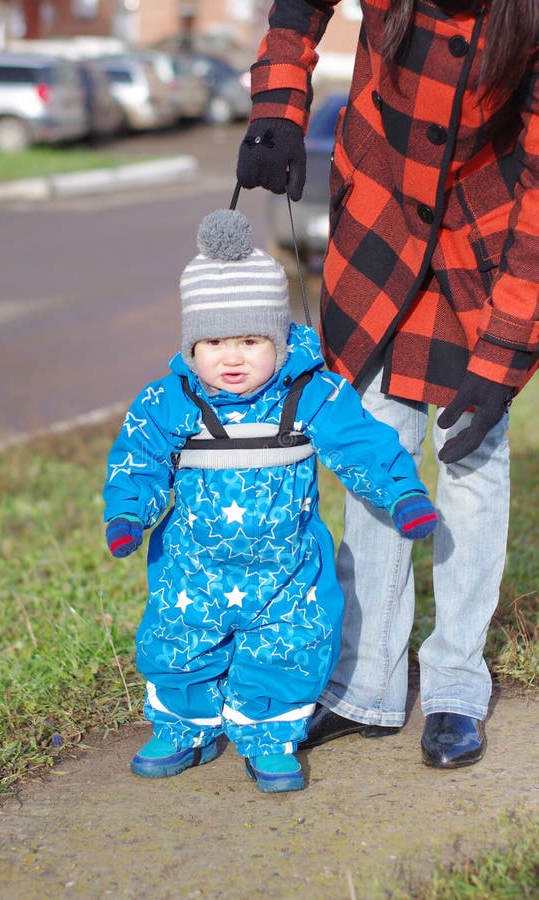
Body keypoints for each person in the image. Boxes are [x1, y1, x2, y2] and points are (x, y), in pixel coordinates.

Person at [236, 0, 538, 768]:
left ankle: (454, 686)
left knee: (471, 462)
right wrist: (277, 103)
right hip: (381, 226)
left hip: (484, 241)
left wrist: (502, 358)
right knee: (377, 449)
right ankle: (364, 683)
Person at [103, 208, 437, 793]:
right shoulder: (170, 400)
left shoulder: (310, 392)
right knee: (178, 639)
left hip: (286, 570)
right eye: (213, 343)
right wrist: (129, 511)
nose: (231, 359)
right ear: (190, 344)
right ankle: (186, 725)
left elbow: (361, 444)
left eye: (251, 341)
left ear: (279, 341)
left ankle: (267, 733)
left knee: (290, 643)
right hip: (192, 568)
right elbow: (140, 455)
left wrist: (401, 493)